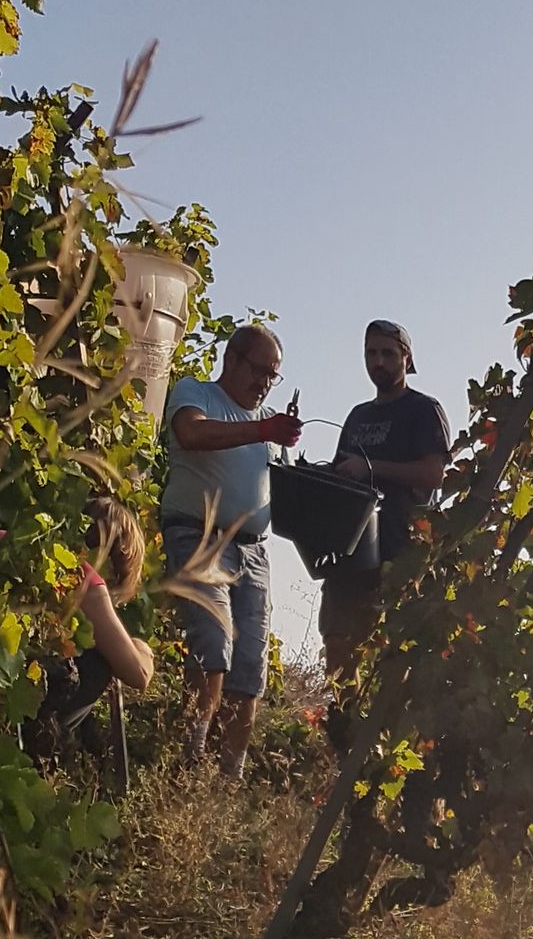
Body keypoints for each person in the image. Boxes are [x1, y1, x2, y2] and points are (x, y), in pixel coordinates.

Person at [160, 323, 300, 781]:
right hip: (200, 538)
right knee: (212, 644)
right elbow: (192, 434)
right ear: (231, 359)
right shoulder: (195, 394)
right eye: (259, 370)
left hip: (254, 552)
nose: (264, 382)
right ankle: (191, 757)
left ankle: (229, 777)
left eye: (272, 375)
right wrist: (264, 429)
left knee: (250, 664)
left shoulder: (267, 429)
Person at [319, 319, 451, 686]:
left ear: (407, 359)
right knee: (337, 641)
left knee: (392, 656)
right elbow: (343, 472)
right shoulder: (358, 416)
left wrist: (370, 468)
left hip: (399, 550)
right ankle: (342, 728)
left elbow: (433, 474)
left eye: (388, 354)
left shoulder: (423, 410)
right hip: (349, 551)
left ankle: (381, 735)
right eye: (371, 353)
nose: (379, 362)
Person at [27, 495, 155, 767]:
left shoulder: (40, 551)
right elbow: (138, 674)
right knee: (98, 665)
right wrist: (143, 649)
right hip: (27, 705)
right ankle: (40, 753)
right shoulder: (85, 579)